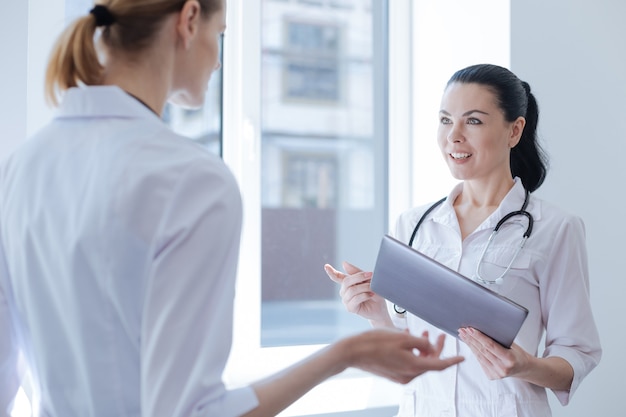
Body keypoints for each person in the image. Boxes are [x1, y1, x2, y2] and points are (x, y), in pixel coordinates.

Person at [0, 1, 465, 417]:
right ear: (188, 19)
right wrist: (342, 355)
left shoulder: (21, 166)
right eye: (220, 35)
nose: (219, 59)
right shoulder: (191, 179)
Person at [325, 63, 602, 417]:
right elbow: (410, 351)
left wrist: (523, 365)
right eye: (445, 120)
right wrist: (376, 314)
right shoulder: (412, 224)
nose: (453, 136)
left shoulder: (556, 228)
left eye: (473, 121)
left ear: (514, 131)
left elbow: (578, 354)